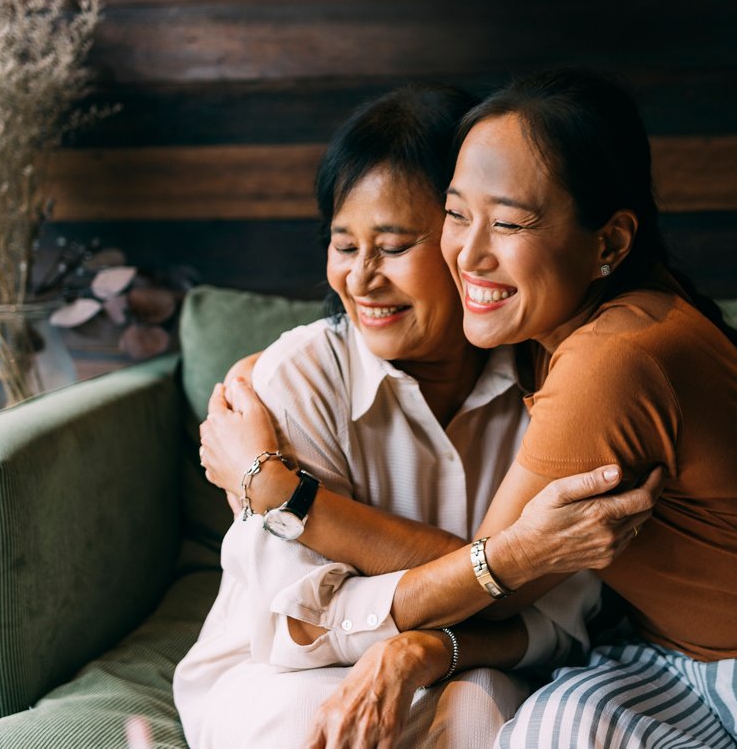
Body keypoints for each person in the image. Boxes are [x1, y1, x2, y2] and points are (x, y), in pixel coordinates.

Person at [222, 69, 737, 747]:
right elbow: (494, 561)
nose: (470, 253)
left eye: (511, 222)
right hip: (677, 667)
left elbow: (485, 570)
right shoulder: (538, 325)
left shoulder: (613, 357)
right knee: (551, 729)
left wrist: (281, 493)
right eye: (456, 215)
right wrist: (270, 369)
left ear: (609, 242)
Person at [174, 84, 656, 748]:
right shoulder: (294, 380)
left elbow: (555, 624)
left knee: (482, 713)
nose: (361, 280)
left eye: (395, 247)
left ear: (468, 240)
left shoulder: (562, 380)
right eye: (344, 246)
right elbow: (308, 625)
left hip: (472, 668)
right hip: (278, 675)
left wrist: (424, 648)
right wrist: (509, 565)